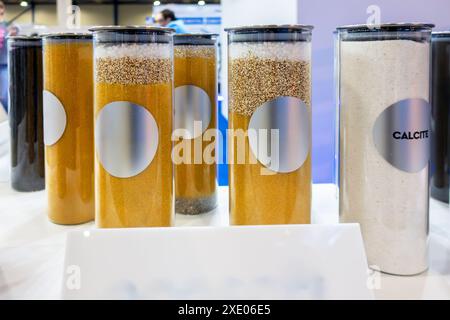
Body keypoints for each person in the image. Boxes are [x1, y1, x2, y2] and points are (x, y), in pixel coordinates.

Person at [0, 0, 18, 112]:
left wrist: (14, 32)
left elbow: (17, 31)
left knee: (5, 97)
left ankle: (12, 118)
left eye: (1, 8)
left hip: (4, 65)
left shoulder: (8, 25)